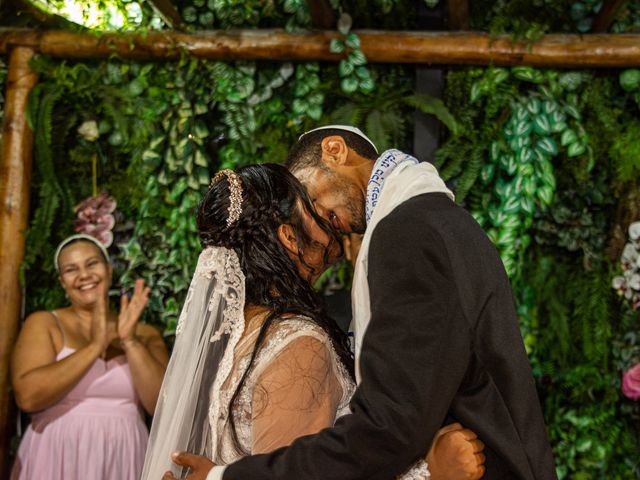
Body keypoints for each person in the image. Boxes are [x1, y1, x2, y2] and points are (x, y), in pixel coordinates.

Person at [182, 126, 557, 480]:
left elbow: (391, 425)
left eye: (309, 198)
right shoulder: (433, 221)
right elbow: (401, 416)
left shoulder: (409, 231)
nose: (322, 228)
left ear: (334, 150)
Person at [142, 164, 485, 480]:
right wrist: (432, 472)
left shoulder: (229, 338)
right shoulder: (296, 343)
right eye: (311, 208)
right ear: (289, 237)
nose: (327, 222)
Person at [10, 234, 169, 480]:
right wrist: (95, 346)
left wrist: (129, 341)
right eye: (71, 269)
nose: (84, 275)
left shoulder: (145, 334)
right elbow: (28, 397)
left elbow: (161, 406)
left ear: (108, 269)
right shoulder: (44, 323)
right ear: (62, 282)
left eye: (92, 264)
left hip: (123, 456)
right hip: (57, 453)